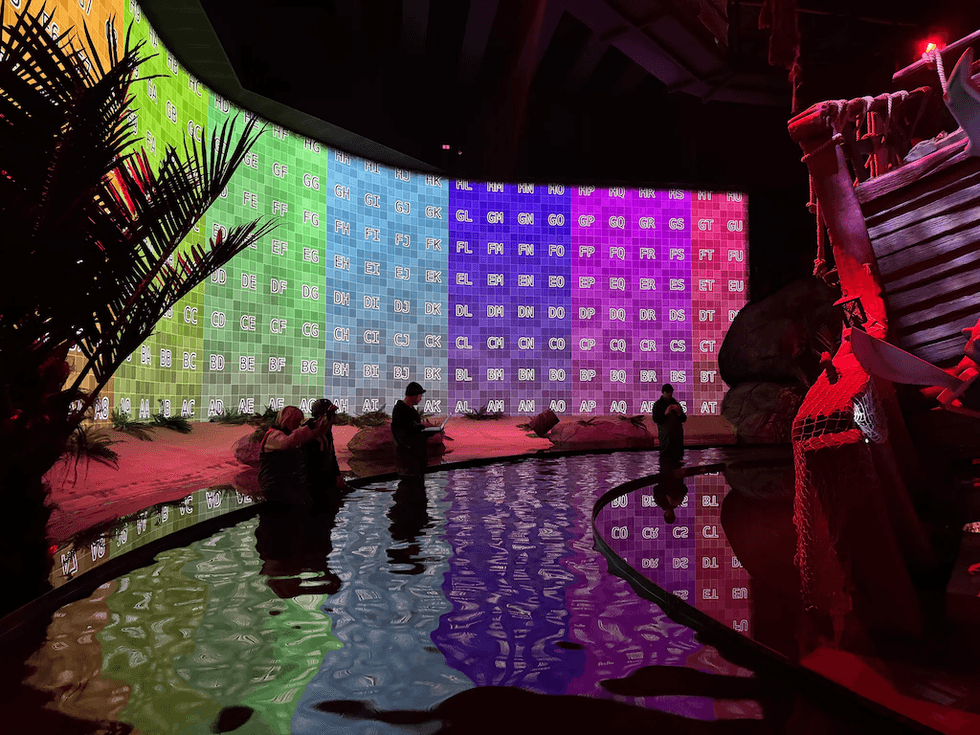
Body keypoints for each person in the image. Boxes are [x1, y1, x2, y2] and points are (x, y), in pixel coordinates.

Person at [259, 406, 328, 508]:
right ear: (287, 420)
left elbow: (305, 436)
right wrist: (307, 428)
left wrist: (321, 424)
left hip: (286, 484)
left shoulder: (286, 434)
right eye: (296, 421)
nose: (298, 424)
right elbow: (288, 442)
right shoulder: (273, 435)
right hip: (273, 485)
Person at [391, 381, 440, 479]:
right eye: (420, 396)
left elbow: (417, 432)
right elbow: (408, 430)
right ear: (413, 396)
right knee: (409, 487)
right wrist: (422, 426)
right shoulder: (399, 410)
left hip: (418, 457)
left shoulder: (412, 411)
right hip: (407, 459)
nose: (421, 398)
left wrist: (431, 432)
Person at [301, 398, 343, 503]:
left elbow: (332, 456)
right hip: (313, 483)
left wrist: (337, 476)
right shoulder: (309, 427)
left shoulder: (327, 431)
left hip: (325, 480)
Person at [652, 383, 686, 462]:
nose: (669, 394)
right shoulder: (658, 405)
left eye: (670, 392)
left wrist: (679, 413)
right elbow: (656, 419)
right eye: (667, 392)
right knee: (665, 458)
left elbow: (684, 419)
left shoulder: (676, 404)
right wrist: (665, 413)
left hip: (677, 436)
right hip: (665, 436)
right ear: (663, 393)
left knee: (678, 458)